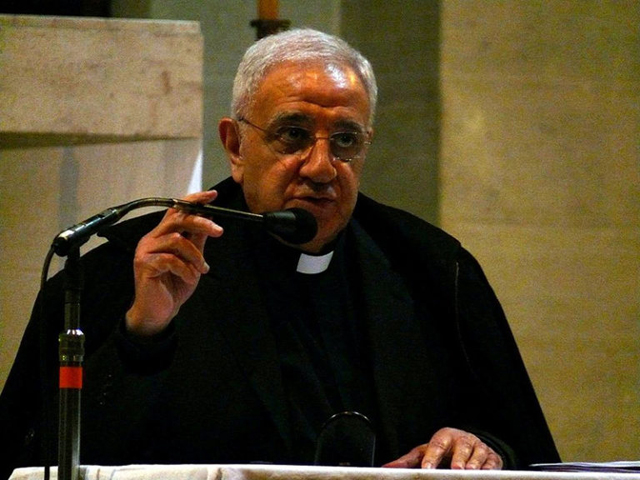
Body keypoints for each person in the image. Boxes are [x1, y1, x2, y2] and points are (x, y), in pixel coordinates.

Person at [0, 28, 560, 479]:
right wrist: (141, 337)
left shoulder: (433, 271)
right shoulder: (134, 267)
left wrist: (482, 447)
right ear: (235, 145)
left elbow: (528, 452)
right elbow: (33, 465)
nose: (321, 167)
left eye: (345, 140)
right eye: (293, 134)